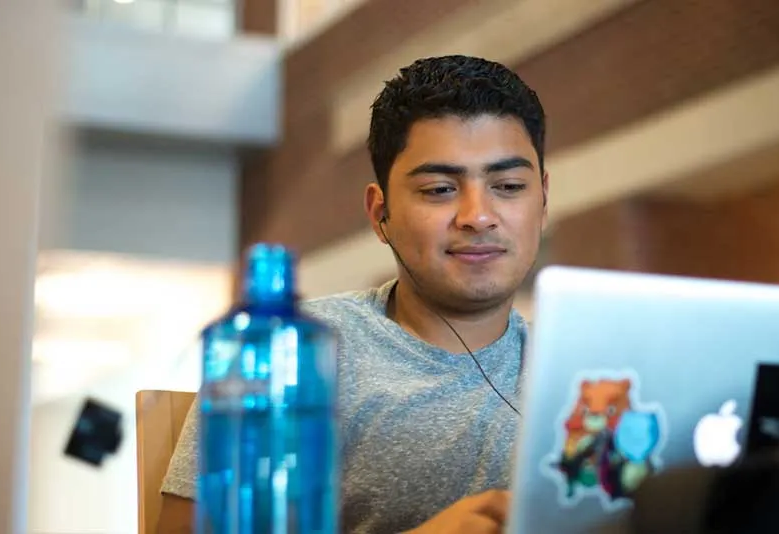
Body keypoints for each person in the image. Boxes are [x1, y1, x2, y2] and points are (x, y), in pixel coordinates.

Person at [157, 55, 549, 534]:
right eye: (440, 189)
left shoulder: (585, 370)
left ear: (542, 200)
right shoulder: (290, 353)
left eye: (508, 186)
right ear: (379, 213)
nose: (478, 215)